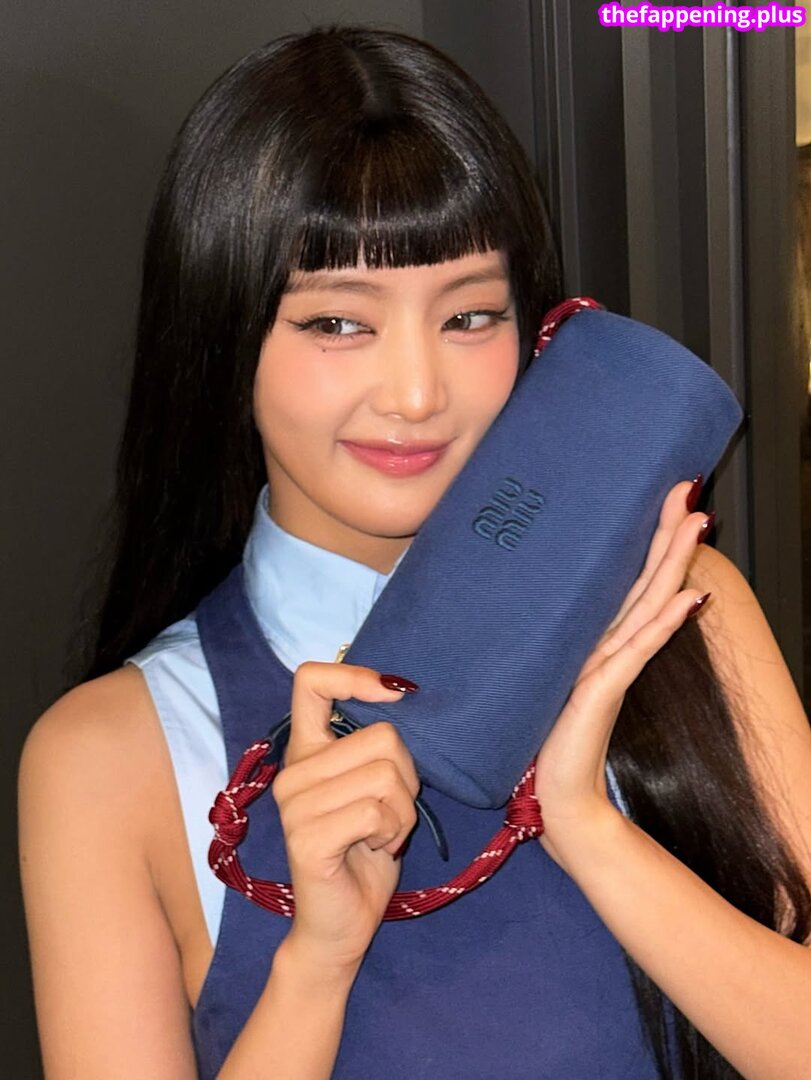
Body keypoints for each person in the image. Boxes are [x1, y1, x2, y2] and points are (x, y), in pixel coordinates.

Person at [18, 23, 811, 1080]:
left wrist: (583, 822)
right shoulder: (110, 758)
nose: (416, 394)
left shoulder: (677, 602)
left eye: (469, 315)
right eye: (337, 324)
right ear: (221, 340)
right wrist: (316, 962)